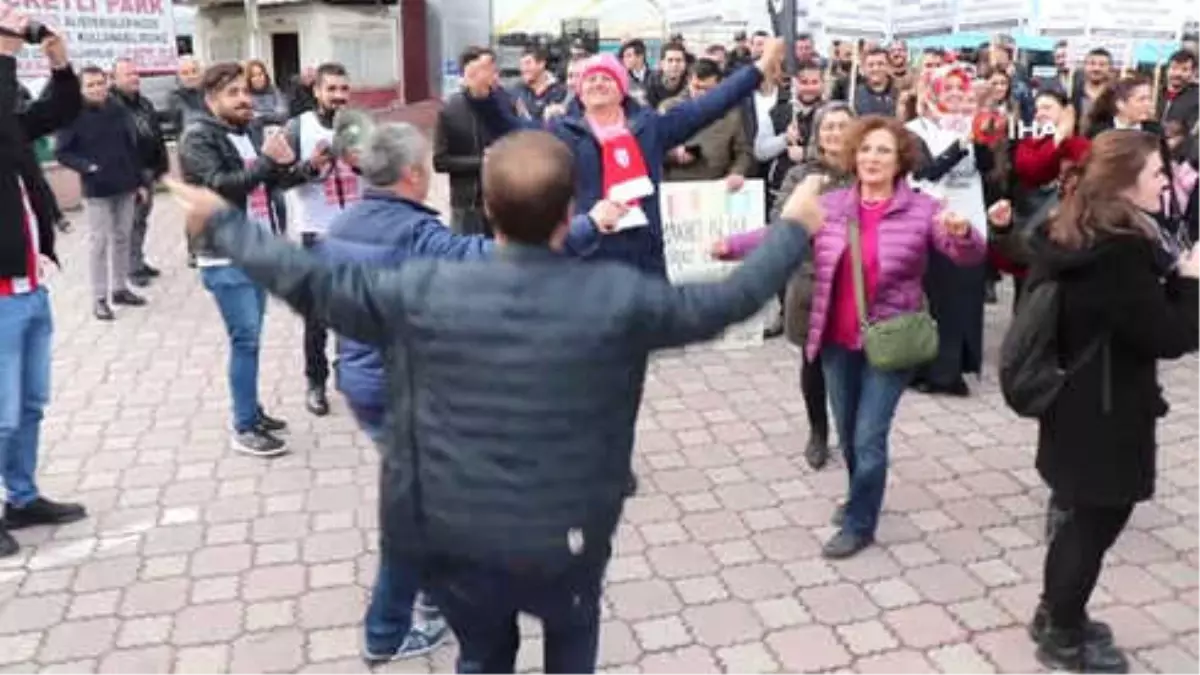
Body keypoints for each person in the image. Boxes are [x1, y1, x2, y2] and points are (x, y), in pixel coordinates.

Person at [165, 127, 821, 674]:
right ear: (571, 213)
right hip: (564, 538)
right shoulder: (618, 297)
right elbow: (726, 300)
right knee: (571, 641)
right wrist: (792, 230)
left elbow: (308, 280)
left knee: (482, 653)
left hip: (457, 536)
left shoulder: (422, 289)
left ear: (486, 209)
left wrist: (223, 222)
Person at [721, 116, 985, 559]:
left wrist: (965, 233)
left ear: (901, 158)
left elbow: (967, 252)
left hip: (890, 342)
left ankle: (861, 522)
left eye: (883, 150)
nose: (872, 158)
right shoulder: (834, 203)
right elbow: (783, 235)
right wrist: (731, 245)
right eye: (865, 149)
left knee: (867, 437)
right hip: (835, 339)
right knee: (846, 432)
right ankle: (858, 493)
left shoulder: (923, 208)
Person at [1022, 130, 1200, 673]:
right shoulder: (1119, 251)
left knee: (1080, 516)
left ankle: (1056, 612)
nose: (1167, 183)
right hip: (1103, 408)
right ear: (1124, 183)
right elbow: (1166, 336)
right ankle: (1063, 633)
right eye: (1156, 175)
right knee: (1095, 519)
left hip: (1075, 400)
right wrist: (1193, 282)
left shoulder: (1078, 228)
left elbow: (1125, 316)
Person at [461, 38, 786, 276]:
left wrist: (757, 70)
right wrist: (482, 98)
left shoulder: (649, 128)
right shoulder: (561, 132)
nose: (598, 83)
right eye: (591, 79)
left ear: (621, 88)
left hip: (641, 260)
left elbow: (709, 105)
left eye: (607, 78)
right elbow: (514, 133)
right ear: (581, 91)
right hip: (585, 259)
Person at [179, 62, 313, 457]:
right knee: (245, 340)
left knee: (251, 338)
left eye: (244, 91)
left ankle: (252, 411)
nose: (243, 99)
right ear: (211, 100)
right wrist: (268, 162)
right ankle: (243, 426)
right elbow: (223, 188)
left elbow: (267, 182)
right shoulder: (197, 137)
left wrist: (302, 168)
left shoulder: (247, 132)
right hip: (224, 256)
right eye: (232, 93)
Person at [719, 102, 855, 471]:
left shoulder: (869, 171)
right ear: (817, 134)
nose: (834, 134)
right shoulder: (801, 175)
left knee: (853, 363)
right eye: (827, 127)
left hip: (857, 283)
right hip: (812, 280)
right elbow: (781, 223)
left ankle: (852, 429)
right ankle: (818, 431)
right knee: (812, 362)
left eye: (843, 126)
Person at [0, 6, 87, 558]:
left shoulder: (8, 125)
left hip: (31, 289)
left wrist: (59, 66)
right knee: (0, 413)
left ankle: (22, 497)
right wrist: (7, 49)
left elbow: (59, 111)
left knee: (29, 406)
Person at [284, 62, 360, 417]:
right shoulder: (298, 127)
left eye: (344, 89)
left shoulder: (362, 125)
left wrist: (361, 162)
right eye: (332, 89)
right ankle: (315, 382)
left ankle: (352, 375)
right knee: (317, 317)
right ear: (317, 91)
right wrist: (311, 166)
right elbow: (278, 181)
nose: (339, 96)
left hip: (357, 233)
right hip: (317, 232)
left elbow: (382, 172)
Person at [56, 66, 148, 321]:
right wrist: (88, 167)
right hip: (97, 189)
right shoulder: (72, 115)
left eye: (100, 83)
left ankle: (120, 288)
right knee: (99, 243)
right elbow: (62, 152)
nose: (97, 89)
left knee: (122, 237)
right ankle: (99, 298)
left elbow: (131, 146)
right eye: (91, 85)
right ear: (81, 89)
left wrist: (139, 181)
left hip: (126, 185)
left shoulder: (118, 109)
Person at [110, 57, 170, 288]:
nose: (134, 77)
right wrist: (134, 179)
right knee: (128, 223)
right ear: (114, 78)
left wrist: (161, 166)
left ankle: (138, 260)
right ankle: (130, 269)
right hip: (128, 175)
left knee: (141, 220)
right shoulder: (113, 107)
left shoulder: (144, 103)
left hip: (147, 171)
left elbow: (156, 135)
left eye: (136, 73)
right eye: (127, 74)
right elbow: (118, 147)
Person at [434, 46, 501, 237]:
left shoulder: (503, 107)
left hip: (501, 204)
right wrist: (482, 162)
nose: (489, 74)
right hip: (466, 207)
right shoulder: (450, 110)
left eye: (491, 68)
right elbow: (440, 161)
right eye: (482, 69)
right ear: (467, 73)